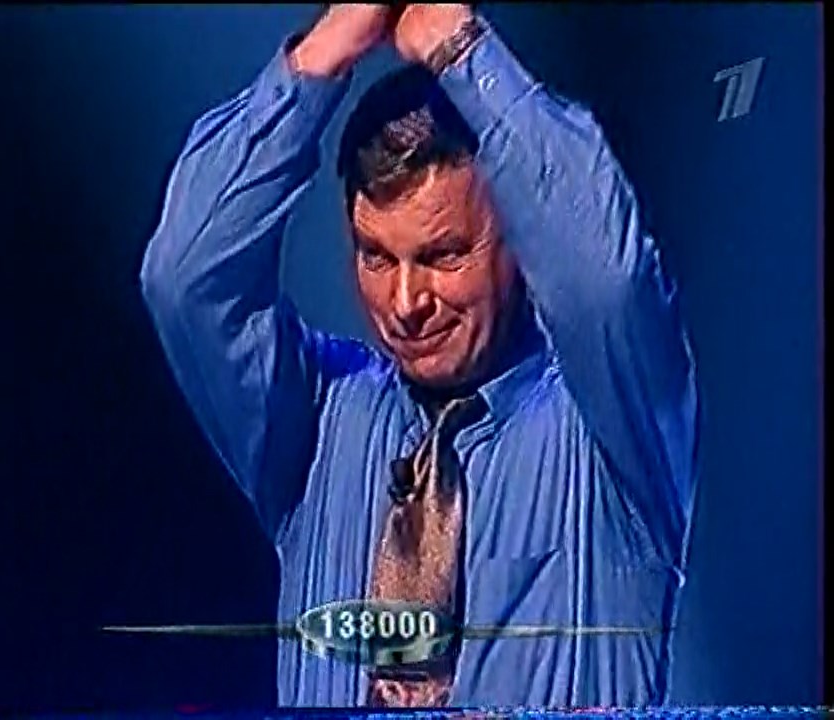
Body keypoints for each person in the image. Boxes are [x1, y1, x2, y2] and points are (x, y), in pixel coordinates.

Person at [139, 4, 699, 708]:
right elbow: (186, 277)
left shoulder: (606, 433)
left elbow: (607, 279)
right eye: (376, 257)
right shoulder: (319, 420)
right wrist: (322, 55)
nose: (405, 303)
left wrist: (458, 47)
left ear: (519, 245)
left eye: (443, 256)